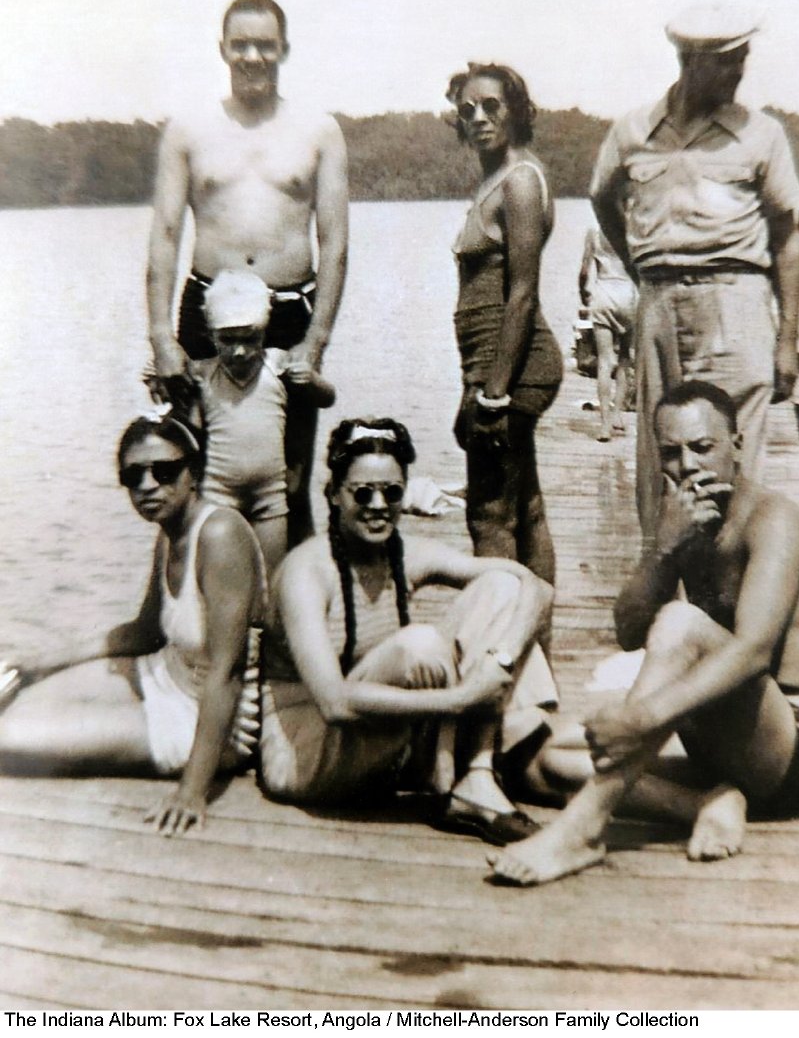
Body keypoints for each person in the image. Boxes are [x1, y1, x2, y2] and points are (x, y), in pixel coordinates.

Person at [490, 380, 799, 885]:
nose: (688, 466)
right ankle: (706, 802)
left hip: (789, 749)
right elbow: (629, 631)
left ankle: (580, 834)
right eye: (671, 452)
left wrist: (640, 719)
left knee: (680, 623)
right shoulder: (687, 520)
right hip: (717, 740)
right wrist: (663, 549)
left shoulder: (773, 520)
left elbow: (753, 652)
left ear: (737, 445)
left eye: (702, 447)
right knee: (541, 756)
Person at [259, 418, 559, 845]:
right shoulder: (307, 573)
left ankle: (475, 774)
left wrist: (501, 661)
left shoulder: (407, 554)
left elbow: (535, 586)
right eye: (362, 493)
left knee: (500, 586)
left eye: (392, 492)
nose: (379, 505)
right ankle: (481, 762)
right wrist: (464, 699)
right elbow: (335, 703)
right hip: (306, 755)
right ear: (333, 494)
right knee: (420, 644)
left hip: (378, 736)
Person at [591, 5, 799, 538]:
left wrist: (786, 342)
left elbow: (788, 238)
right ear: (691, 62)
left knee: (730, 462)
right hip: (659, 302)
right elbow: (602, 198)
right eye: (730, 62)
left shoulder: (762, 135)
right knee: (660, 454)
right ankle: (667, 591)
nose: (741, 72)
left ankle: (735, 601)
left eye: (743, 58)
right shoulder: (633, 130)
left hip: (736, 301)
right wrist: (642, 268)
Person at [0, 411, 265, 837]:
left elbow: (226, 672)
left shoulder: (219, 534)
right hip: (163, 672)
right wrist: (43, 662)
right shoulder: (169, 530)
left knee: (8, 738)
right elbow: (145, 632)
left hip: (208, 717)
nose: (146, 485)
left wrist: (192, 791)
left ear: (193, 473)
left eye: (163, 471)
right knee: (15, 688)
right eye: (133, 476)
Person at [146, 0, 348, 548]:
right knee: (189, 478)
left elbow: (334, 246)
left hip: (288, 316)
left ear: (284, 49)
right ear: (222, 49)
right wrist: (162, 337)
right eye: (241, 44)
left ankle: (285, 626)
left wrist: (316, 341)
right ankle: (186, 624)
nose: (253, 56)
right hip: (206, 312)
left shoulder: (319, 130)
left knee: (291, 478)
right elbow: (165, 236)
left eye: (265, 44)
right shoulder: (188, 130)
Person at [446, 63, 563, 586]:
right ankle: (536, 643)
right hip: (496, 367)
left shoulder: (519, 183)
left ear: (516, 110)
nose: (478, 117)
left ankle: (502, 639)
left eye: (491, 106)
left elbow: (521, 294)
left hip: (514, 370)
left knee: (489, 513)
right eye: (467, 109)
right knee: (525, 503)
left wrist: (492, 396)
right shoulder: (494, 180)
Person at [188, 269, 335, 578]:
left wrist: (312, 381)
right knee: (223, 578)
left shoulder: (278, 363)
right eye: (227, 340)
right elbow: (178, 403)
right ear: (211, 336)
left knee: (273, 579)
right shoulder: (203, 372)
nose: (239, 351)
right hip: (218, 492)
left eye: (250, 339)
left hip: (270, 495)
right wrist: (156, 377)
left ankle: (270, 624)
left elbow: (328, 398)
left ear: (264, 333)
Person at [578, 225, 638, 441]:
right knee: (624, 359)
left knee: (605, 361)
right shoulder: (633, 230)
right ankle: (617, 415)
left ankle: (604, 426)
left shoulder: (593, 231)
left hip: (604, 292)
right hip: (629, 293)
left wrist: (583, 293)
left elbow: (585, 271)